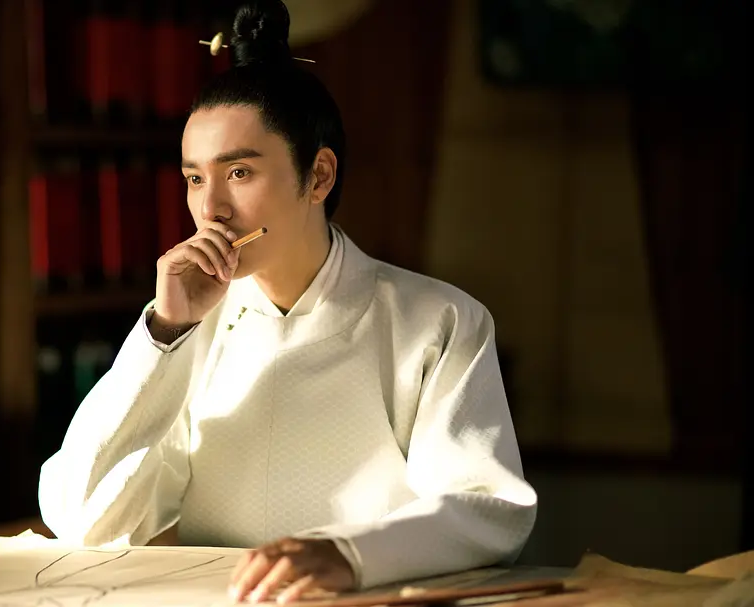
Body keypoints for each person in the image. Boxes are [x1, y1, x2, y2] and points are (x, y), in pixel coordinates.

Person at [38, 0, 538, 603]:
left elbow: (487, 509)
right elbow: (83, 519)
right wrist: (163, 334)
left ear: (318, 176)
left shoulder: (439, 322)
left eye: (239, 173)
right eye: (195, 178)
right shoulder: (188, 327)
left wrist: (350, 554)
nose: (210, 208)